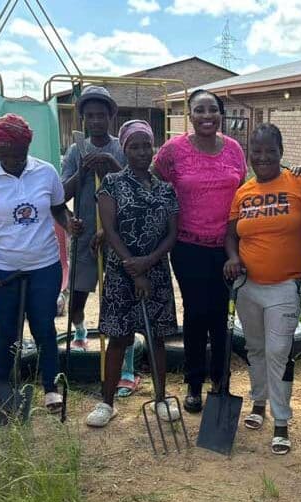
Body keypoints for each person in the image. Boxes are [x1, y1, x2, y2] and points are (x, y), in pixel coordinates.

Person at [0, 113, 80, 415]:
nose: (14, 161)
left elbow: (58, 209)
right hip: (2, 268)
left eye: (19, 155)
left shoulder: (45, 173)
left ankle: (51, 387)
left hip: (44, 264)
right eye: (6, 155)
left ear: (28, 149)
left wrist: (71, 225)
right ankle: (5, 386)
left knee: (44, 326)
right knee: (6, 331)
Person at [224, 123, 301, 454]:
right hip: (248, 286)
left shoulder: (300, 184)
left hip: (283, 286)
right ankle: (258, 403)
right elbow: (231, 234)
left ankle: (281, 421)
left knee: (279, 351)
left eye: (270, 151)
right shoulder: (243, 192)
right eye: (256, 151)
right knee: (256, 349)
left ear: (281, 151)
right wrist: (233, 258)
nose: (263, 157)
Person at [154, 89, 247, 413]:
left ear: (221, 115)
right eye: (199, 110)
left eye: (212, 110)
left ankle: (220, 380)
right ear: (189, 115)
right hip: (188, 246)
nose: (206, 116)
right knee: (195, 312)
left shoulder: (234, 149)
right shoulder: (172, 151)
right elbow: (155, 182)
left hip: (227, 246)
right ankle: (194, 383)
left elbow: (244, 189)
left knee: (221, 314)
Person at [84, 120, 180, 427]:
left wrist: (148, 263)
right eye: (134, 146)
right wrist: (133, 268)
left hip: (156, 273)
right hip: (121, 273)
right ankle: (107, 402)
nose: (141, 152)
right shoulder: (111, 183)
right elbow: (109, 230)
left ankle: (162, 399)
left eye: (145, 146)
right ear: (124, 149)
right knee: (118, 338)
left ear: (153, 148)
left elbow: (172, 234)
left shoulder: (165, 188)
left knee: (157, 341)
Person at [60, 86, 142, 397]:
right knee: (78, 298)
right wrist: (82, 171)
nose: (96, 121)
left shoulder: (122, 148)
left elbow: (136, 188)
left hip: (117, 239)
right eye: (90, 116)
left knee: (121, 305)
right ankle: (80, 331)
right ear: (83, 119)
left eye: (101, 115)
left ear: (111, 117)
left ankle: (126, 369)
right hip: (84, 240)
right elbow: (63, 194)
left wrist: (111, 164)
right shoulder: (74, 151)